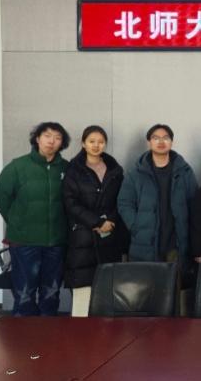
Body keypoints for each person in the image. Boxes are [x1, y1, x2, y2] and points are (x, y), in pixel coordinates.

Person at [0, 122, 70, 316]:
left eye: (57, 138)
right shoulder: (18, 166)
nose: (52, 141)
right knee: (25, 293)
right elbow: (1, 194)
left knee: (51, 292)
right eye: (47, 136)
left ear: (62, 143)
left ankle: (48, 331)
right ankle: (23, 333)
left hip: (56, 241)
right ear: (37, 138)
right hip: (25, 242)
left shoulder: (67, 168)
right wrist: (16, 220)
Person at [117, 124, 198, 303]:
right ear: (149, 142)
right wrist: (136, 226)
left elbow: (194, 204)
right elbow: (124, 203)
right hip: (145, 242)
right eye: (156, 138)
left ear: (172, 142)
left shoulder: (184, 171)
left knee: (174, 294)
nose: (161, 141)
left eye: (165, 138)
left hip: (176, 244)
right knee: (146, 294)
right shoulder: (136, 173)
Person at [62, 125, 128, 317]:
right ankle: (81, 331)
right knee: (82, 290)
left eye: (100, 142)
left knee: (107, 290)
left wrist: (110, 221)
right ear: (83, 143)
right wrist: (97, 222)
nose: (96, 145)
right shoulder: (73, 170)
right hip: (82, 237)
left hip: (109, 236)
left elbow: (122, 200)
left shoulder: (115, 170)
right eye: (91, 141)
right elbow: (70, 203)